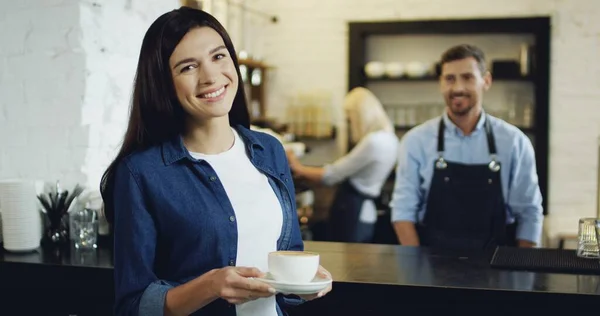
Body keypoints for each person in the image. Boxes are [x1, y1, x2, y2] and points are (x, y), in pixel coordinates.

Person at [99, 7, 331, 316]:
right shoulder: (142, 173)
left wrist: (303, 285)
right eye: (188, 67)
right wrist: (211, 285)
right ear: (163, 83)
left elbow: (286, 260)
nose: (210, 76)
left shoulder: (270, 150)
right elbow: (133, 304)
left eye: (218, 57)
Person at [390, 44, 543, 251]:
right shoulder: (416, 141)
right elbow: (402, 212)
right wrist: (415, 266)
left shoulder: (515, 142)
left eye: (468, 77)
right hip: (431, 268)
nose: (458, 88)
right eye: (449, 79)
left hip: (497, 269)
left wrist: (522, 270)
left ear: (486, 81)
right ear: (440, 83)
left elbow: (529, 213)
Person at [286, 87, 399, 243]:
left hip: (353, 211)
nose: (349, 122)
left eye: (350, 117)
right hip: (365, 210)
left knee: (350, 261)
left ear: (360, 114)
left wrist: (296, 165)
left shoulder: (374, 142)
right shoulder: (390, 138)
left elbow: (332, 175)